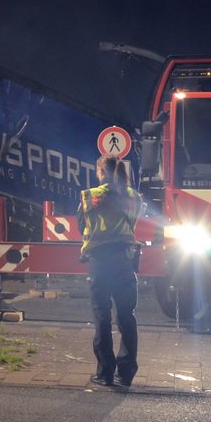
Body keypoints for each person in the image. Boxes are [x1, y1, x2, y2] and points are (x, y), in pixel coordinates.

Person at [76, 153, 141, 387]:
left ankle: (105, 372)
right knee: (126, 316)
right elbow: (133, 222)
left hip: (100, 262)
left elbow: (81, 225)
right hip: (125, 260)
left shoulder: (90, 197)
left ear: (100, 172)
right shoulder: (133, 196)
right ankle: (126, 373)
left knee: (102, 316)